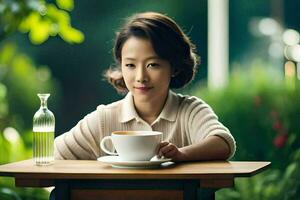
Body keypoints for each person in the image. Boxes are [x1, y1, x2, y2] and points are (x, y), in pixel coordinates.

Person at [54, 12, 236, 162]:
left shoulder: (190, 111)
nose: (141, 77)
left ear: (174, 67)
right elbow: (55, 155)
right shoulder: (104, 119)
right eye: (130, 65)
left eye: (153, 65)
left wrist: (181, 155)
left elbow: (222, 143)